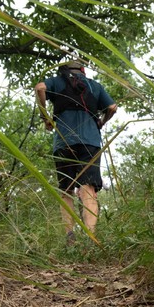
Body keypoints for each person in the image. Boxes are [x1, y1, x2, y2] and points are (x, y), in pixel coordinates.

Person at [35, 60, 117, 245]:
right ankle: (91, 236)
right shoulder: (94, 86)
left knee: (66, 190)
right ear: (83, 71)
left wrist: (45, 117)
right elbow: (112, 107)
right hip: (90, 142)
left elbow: (40, 88)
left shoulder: (57, 81)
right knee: (88, 189)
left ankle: (70, 235)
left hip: (64, 142)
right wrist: (101, 123)